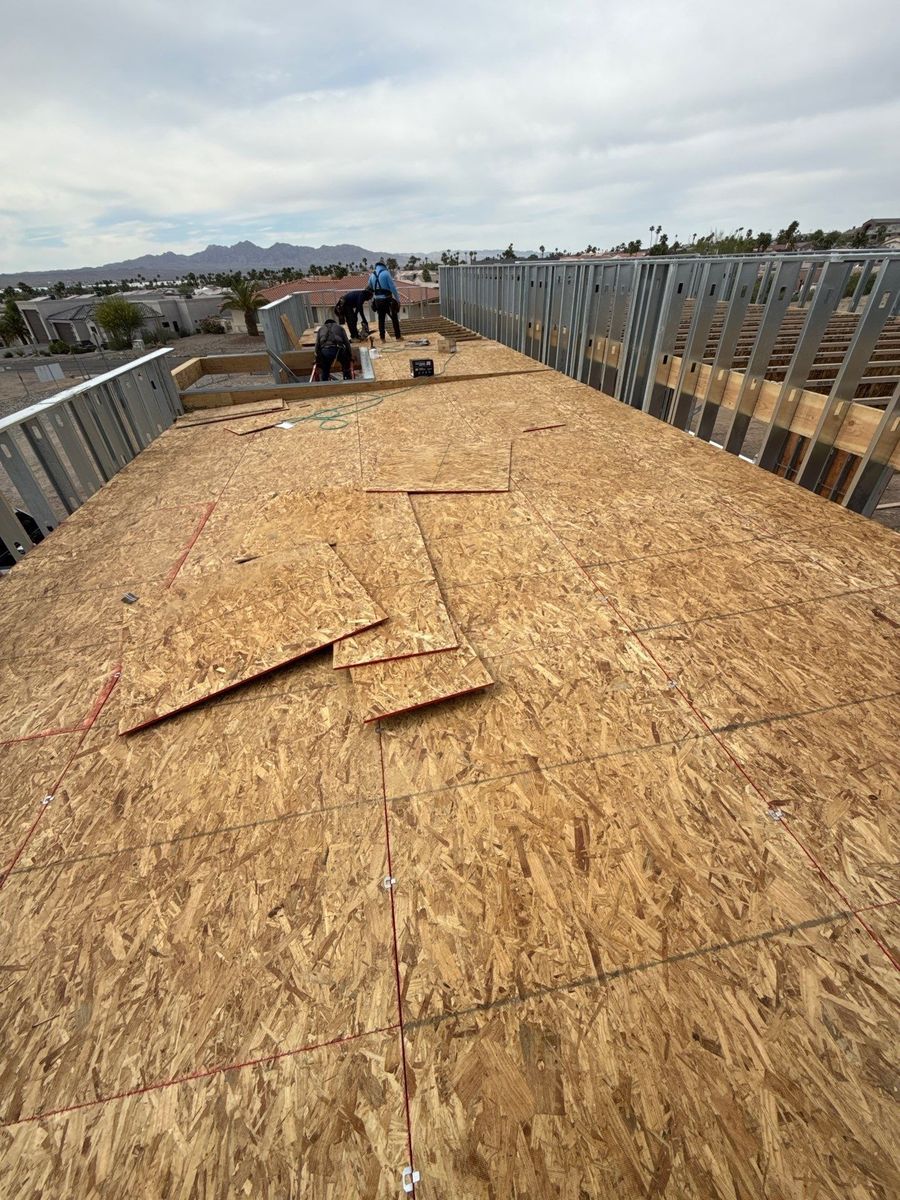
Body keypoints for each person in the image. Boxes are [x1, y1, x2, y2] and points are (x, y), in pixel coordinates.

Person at [367, 260, 402, 342]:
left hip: (378, 301)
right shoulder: (386, 274)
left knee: (381, 319)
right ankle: (398, 337)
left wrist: (373, 300)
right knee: (394, 318)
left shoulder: (372, 275)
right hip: (388, 300)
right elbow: (393, 288)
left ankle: (382, 338)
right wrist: (398, 300)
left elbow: (369, 289)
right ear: (384, 266)